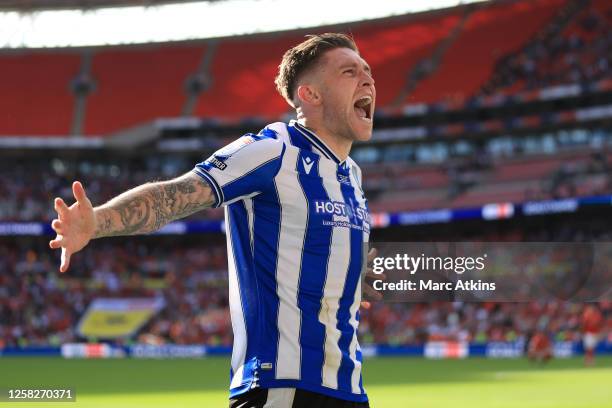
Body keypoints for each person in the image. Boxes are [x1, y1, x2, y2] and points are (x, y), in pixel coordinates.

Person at [49, 33, 378, 407]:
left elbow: (317, 248)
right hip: (283, 387)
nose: (368, 79)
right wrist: (98, 222)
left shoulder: (351, 174)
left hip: (349, 388)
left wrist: (351, 274)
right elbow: (175, 195)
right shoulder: (270, 152)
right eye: (350, 72)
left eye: (367, 71)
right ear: (310, 95)